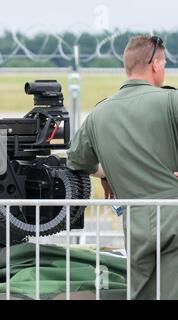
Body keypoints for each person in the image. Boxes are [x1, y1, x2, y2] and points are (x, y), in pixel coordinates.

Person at [67, 35, 178, 299]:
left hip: (136, 220)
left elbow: (77, 161)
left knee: (141, 292)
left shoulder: (100, 113)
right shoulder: (171, 101)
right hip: (174, 212)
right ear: (156, 64)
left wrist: (109, 172)